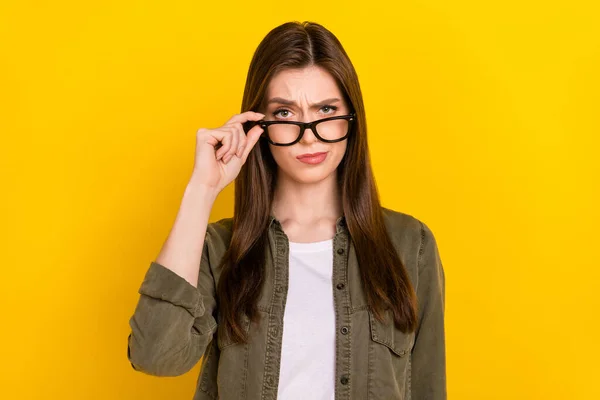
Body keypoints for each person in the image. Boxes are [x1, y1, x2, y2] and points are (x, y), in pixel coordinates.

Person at [127, 20, 446, 400]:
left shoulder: (412, 245)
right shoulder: (219, 249)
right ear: (257, 124)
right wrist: (202, 190)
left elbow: (428, 386)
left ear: (352, 118)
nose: (309, 133)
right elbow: (154, 357)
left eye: (326, 109)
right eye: (284, 113)